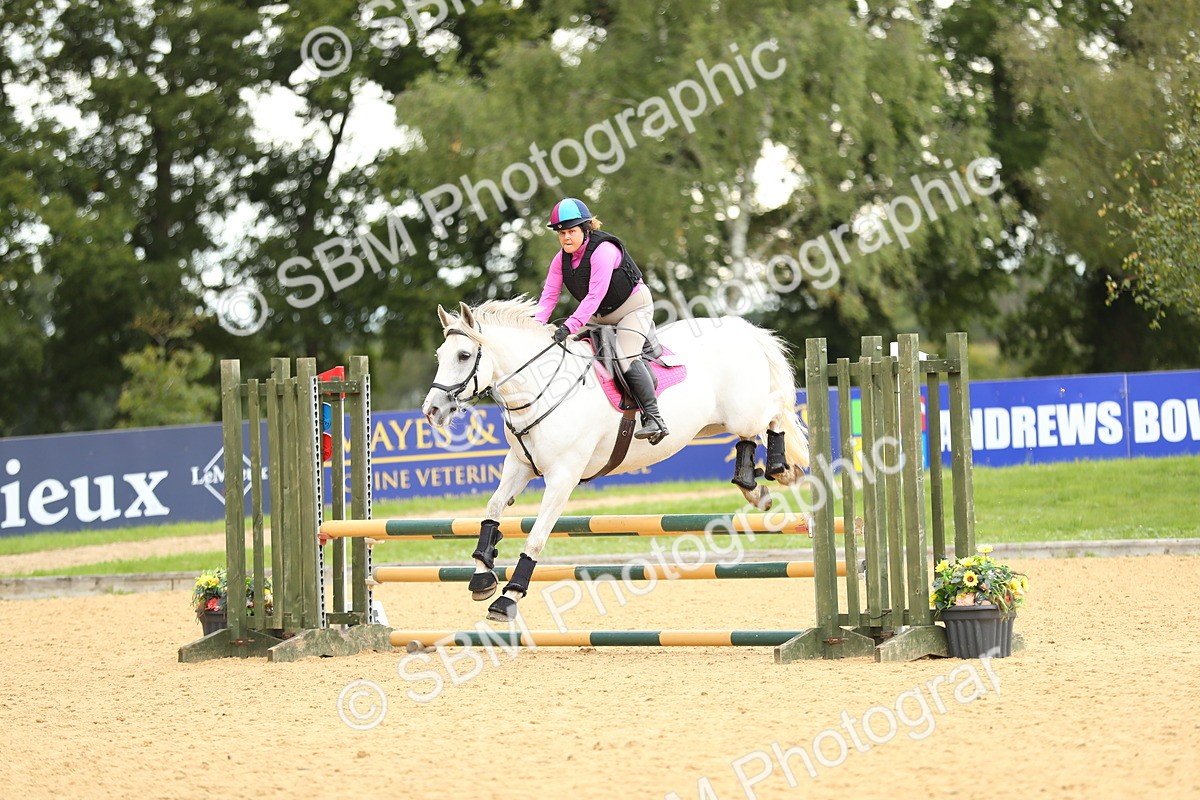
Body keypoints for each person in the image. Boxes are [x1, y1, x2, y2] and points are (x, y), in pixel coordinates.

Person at [533, 197, 669, 444]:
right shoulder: (559, 260)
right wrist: (535, 326)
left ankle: (654, 417)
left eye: (571, 231)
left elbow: (594, 296)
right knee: (565, 347)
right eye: (561, 233)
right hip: (599, 314)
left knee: (625, 357)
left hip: (632, 308)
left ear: (586, 229)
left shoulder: (604, 251)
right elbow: (549, 296)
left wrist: (569, 326)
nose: (566, 238)